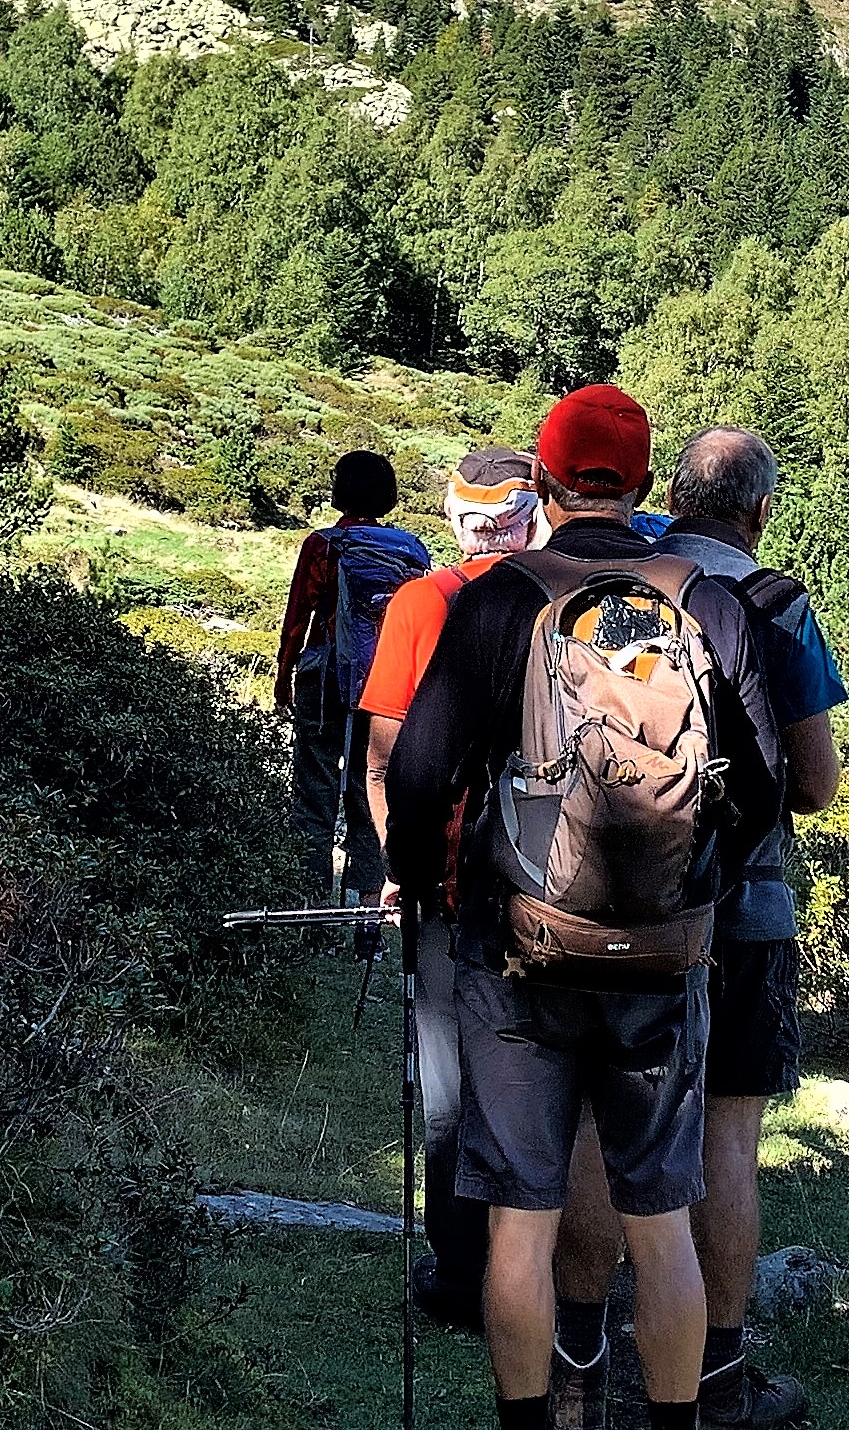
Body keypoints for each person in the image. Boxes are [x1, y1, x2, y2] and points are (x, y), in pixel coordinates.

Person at [388, 387, 789, 1430]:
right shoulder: (708, 599)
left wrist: (434, 887)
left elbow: (423, 770)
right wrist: (694, 887)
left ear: (548, 484)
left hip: (518, 946)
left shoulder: (499, 596)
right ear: (646, 486)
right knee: (661, 1216)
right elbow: (768, 785)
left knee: (520, 1217)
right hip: (665, 956)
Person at [547, 428, 843, 1427]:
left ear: (669, 494)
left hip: (606, 902)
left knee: (595, 1119)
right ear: (759, 510)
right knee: (727, 1135)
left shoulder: (615, 582)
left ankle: (578, 1355)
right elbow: (816, 781)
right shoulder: (774, 601)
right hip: (741, 913)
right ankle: (716, 1375)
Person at [360, 447, 545, 1331]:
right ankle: (549, 1269)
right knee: (550, 1075)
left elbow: (385, 759)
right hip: (564, 890)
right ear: (529, 509)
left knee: (448, 1085)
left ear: (456, 513)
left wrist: (400, 869)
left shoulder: (423, 602)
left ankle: (462, 1270)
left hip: (446, 887)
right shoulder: (579, 592)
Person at [277, 450, 430, 903]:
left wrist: (283, 677)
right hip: (386, 683)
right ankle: (367, 917)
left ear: (338, 492)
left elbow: (297, 618)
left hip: (324, 680)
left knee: (313, 793)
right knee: (370, 794)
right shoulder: (410, 549)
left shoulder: (322, 545)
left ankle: (310, 912)